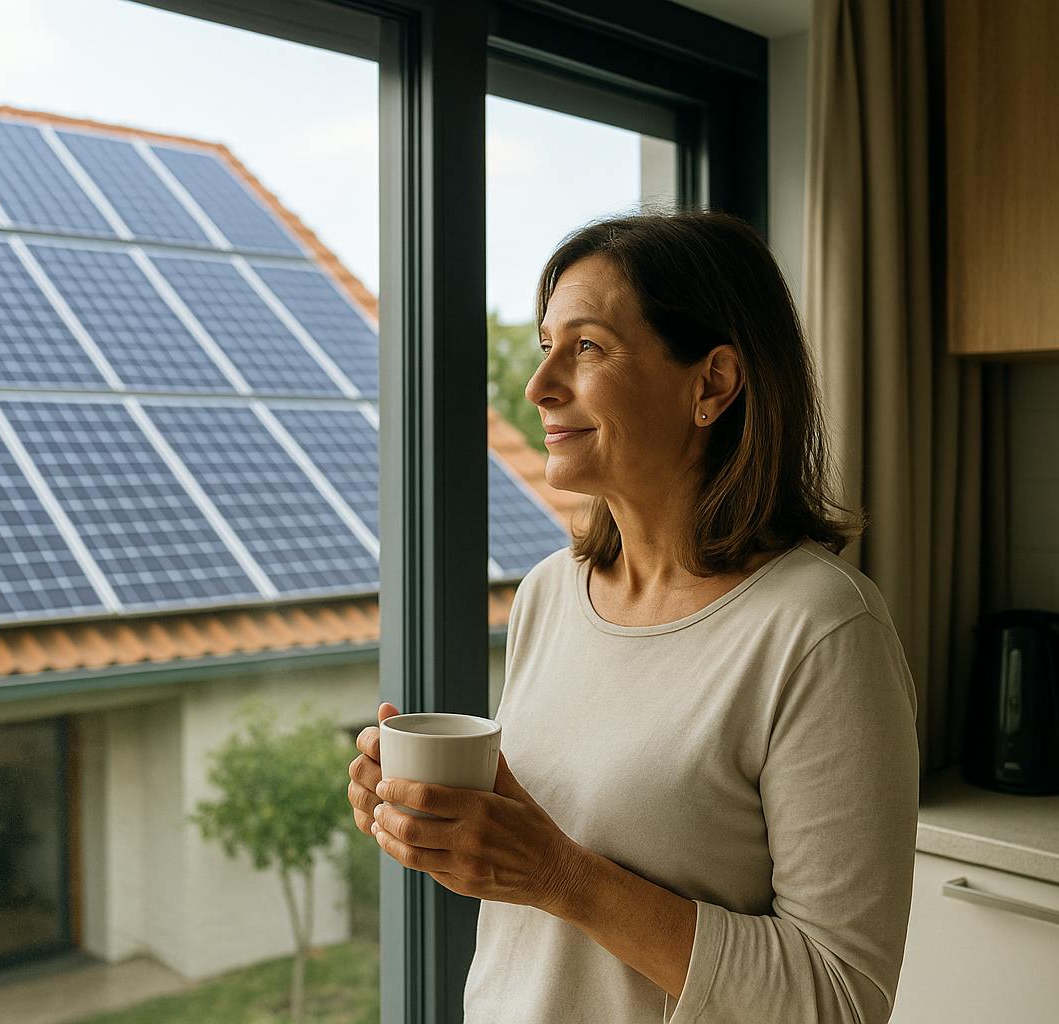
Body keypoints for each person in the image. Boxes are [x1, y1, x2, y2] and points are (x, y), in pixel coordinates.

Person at [346, 209, 919, 1023]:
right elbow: (536, 880)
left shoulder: (820, 630)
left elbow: (840, 998)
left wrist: (557, 875)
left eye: (586, 347)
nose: (539, 385)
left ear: (712, 384)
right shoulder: (550, 592)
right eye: (547, 345)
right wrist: (450, 833)